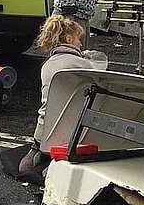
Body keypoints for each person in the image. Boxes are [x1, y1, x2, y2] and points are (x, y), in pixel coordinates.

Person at [19, 15, 95, 173]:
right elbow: (99, 80)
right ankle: (54, 166)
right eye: (78, 40)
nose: (81, 44)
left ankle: (36, 150)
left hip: (43, 130)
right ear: (69, 39)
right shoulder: (80, 64)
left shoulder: (47, 65)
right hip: (67, 134)